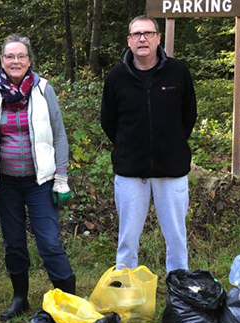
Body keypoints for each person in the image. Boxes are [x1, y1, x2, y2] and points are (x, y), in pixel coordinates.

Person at [0, 34, 76, 322]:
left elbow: (59, 135)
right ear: (2, 61)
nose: (15, 61)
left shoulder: (43, 89)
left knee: (49, 242)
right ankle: (20, 298)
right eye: (9, 56)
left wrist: (61, 178)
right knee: (14, 243)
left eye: (21, 56)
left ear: (29, 60)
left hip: (40, 182)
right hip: (5, 182)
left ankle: (68, 300)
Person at [101, 16, 197, 273]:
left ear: (158, 38)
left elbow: (189, 116)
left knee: (176, 237)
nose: (142, 38)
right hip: (131, 172)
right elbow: (109, 121)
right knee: (127, 238)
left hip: (172, 170)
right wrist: (131, 147)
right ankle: (124, 288)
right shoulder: (116, 77)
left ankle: (179, 287)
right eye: (136, 34)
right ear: (129, 41)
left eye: (148, 33)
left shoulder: (178, 72)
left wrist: (171, 144)